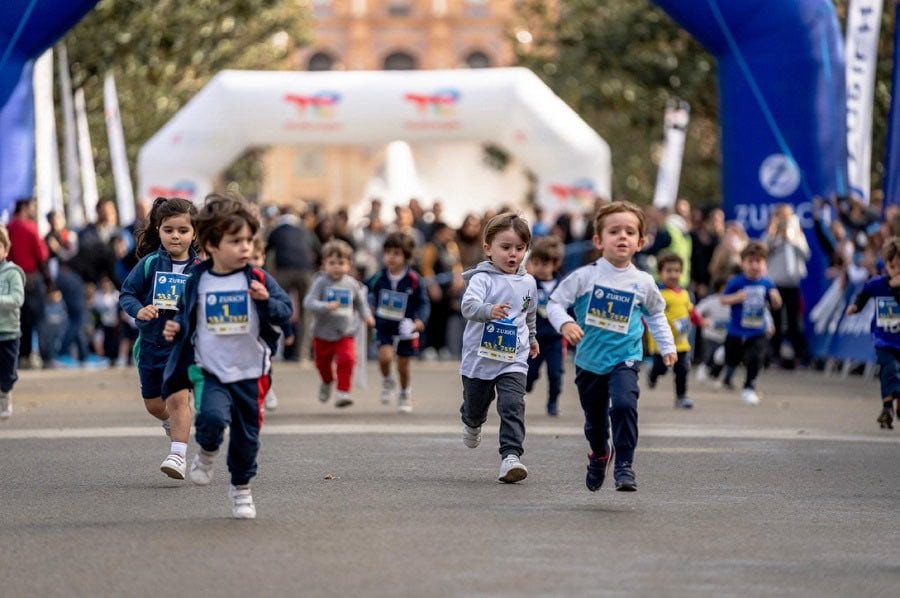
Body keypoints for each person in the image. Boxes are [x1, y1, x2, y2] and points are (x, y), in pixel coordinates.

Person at [162, 193, 293, 519]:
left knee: (247, 439)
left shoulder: (258, 278)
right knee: (211, 420)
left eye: (249, 240)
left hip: (250, 371)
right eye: (236, 241)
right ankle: (206, 450)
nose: (246, 248)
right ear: (212, 244)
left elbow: (285, 311)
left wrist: (265, 301)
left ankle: (241, 489)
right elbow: (185, 313)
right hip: (212, 369)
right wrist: (175, 327)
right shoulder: (199, 280)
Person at [547, 201, 676, 492]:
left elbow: (655, 313)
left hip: (626, 358)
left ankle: (624, 464)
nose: (622, 237)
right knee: (595, 423)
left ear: (641, 242)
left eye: (630, 232)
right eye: (614, 231)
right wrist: (566, 324)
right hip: (590, 361)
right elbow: (555, 303)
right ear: (598, 240)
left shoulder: (643, 282)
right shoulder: (584, 276)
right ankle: (599, 454)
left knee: (624, 405)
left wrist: (667, 346)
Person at [119, 197, 201, 480]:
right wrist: (139, 310)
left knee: (179, 398)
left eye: (183, 230)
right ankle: (169, 423)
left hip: (183, 348)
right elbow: (127, 294)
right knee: (155, 405)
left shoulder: (202, 269)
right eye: (169, 230)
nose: (175, 236)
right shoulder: (150, 264)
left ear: (195, 233)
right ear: (158, 230)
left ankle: (177, 454)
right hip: (151, 346)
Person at [459, 212, 539, 484]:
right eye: (505, 248)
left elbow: (529, 314)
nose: (513, 254)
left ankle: (511, 456)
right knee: (475, 406)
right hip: (479, 358)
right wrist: (488, 310)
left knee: (513, 404)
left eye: (519, 248)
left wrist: (534, 338)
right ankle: (472, 420)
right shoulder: (482, 279)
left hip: (513, 357)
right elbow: (468, 306)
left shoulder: (528, 282)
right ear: (488, 249)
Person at [303, 239, 374, 408]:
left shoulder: (351, 284)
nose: (336, 267)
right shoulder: (320, 281)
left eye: (341, 263)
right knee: (322, 365)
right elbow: (308, 302)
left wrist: (367, 316)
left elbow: (360, 303)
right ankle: (327, 382)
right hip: (322, 334)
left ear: (349, 265)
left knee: (348, 358)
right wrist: (325, 306)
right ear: (324, 264)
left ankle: (343, 391)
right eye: (332, 263)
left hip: (345, 332)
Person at [366, 232, 430, 413]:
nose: (391, 257)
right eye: (388, 252)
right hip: (384, 326)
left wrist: (418, 323)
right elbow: (362, 289)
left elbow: (424, 303)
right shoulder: (378, 278)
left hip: (405, 328)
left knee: (403, 364)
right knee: (384, 358)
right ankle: (387, 379)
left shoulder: (415, 280)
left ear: (406, 256)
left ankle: (404, 392)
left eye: (396, 253)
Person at [718, 241, 783, 405]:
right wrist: (736, 298)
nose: (754, 266)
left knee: (756, 358)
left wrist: (776, 299)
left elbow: (776, 302)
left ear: (765, 264)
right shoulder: (737, 282)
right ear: (743, 263)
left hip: (757, 330)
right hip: (736, 330)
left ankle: (749, 388)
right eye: (750, 261)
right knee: (732, 358)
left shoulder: (767, 282)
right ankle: (722, 358)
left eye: (758, 261)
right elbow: (723, 299)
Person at [846, 237, 900, 429]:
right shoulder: (878, 284)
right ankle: (887, 408)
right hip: (884, 339)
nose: (897, 272)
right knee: (889, 369)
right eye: (893, 267)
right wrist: (856, 307)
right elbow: (865, 292)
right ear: (886, 265)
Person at [646, 253, 704, 409]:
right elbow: (649, 313)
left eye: (677, 271)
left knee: (683, 369)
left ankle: (681, 396)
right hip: (662, 344)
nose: (673, 275)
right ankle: (653, 374)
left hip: (681, 343)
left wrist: (701, 321)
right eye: (669, 270)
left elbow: (690, 311)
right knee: (662, 368)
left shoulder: (685, 294)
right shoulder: (658, 294)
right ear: (660, 273)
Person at [5, 198, 51, 369]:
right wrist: (49, 283)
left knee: (20, 320)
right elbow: (42, 256)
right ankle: (47, 357)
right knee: (40, 318)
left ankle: (22, 356)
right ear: (24, 207)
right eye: (32, 207)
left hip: (13, 278)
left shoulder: (8, 228)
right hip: (32, 278)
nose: (33, 210)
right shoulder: (30, 227)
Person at [765, 204, 810, 368]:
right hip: (775, 284)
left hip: (792, 284)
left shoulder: (796, 235)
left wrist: (790, 238)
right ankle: (774, 356)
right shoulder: (772, 235)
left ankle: (800, 356)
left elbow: (806, 253)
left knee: (794, 321)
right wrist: (774, 232)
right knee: (775, 321)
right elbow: (764, 250)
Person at [525, 236, 566, 416]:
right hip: (535, 339)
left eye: (545, 264)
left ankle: (553, 401)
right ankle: (529, 383)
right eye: (537, 263)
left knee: (556, 374)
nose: (540, 268)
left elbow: (570, 308)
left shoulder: (563, 285)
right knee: (528, 375)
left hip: (556, 339)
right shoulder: (530, 283)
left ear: (555, 264)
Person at [251, 236, 287, 411]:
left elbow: (284, 309)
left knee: (264, 366)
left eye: (256, 258)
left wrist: (289, 331)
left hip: (262, 336)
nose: (252, 262)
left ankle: (266, 389)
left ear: (263, 258)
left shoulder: (264, 279)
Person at [0, 225, 25, 419]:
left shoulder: (12, 273)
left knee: (7, 373)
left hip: (9, 332)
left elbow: (17, 299)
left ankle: (5, 391)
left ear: (5, 249)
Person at [694, 278, 731, 384]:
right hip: (710, 335)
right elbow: (697, 311)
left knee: (722, 356)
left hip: (726, 335)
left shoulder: (734, 302)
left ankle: (715, 375)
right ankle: (703, 370)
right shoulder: (711, 301)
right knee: (709, 355)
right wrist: (702, 321)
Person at [92, 275, 121, 366]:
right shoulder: (98, 295)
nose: (106, 286)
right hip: (103, 322)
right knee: (104, 340)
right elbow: (95, 308)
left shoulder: (116, 295)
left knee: (115, 341)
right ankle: (105, 358)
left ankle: (115, 358)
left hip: (115, 322)